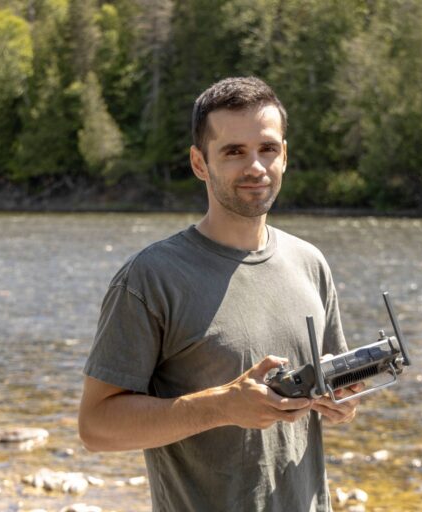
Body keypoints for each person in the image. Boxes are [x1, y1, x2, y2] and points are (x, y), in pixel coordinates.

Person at [78, 76, 363, 511]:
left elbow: (340, 393)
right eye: (234, 152)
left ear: (285, 156)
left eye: (267, 148)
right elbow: (95, 427)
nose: (256, 167)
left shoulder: (311, 263)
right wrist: (222, 406)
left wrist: (342, 400)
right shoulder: (150, 277)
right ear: (199, 163)